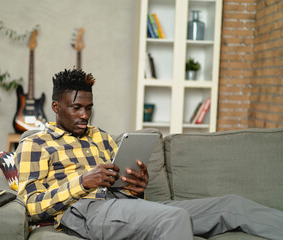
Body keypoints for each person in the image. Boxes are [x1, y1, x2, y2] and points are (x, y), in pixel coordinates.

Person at [16, 68, 283, 240]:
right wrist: (84, 181)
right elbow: (32, 205)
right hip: (85, 211)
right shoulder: (36, 144)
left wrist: (136, 187)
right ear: (55, 106)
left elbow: (123, 191)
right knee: (174, 218)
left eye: (89, 108)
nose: (85, 115)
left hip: (125, 204)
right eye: (76, 108)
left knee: (232, 205)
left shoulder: (101, 137)